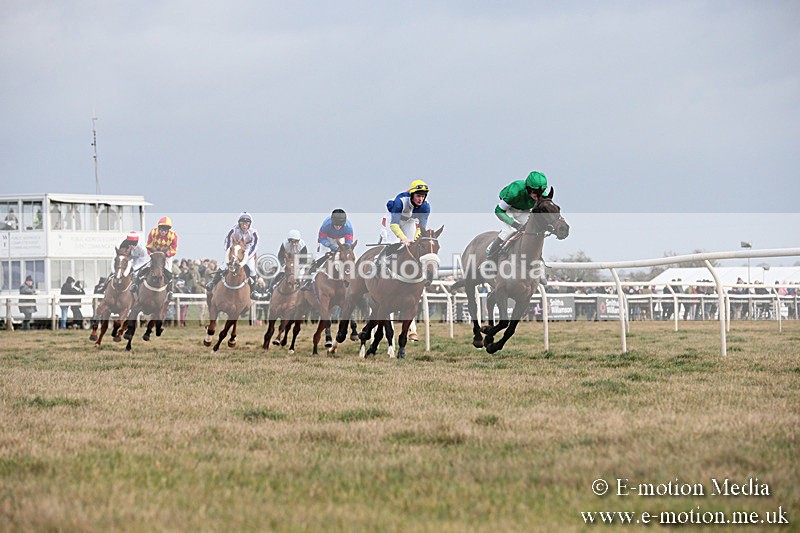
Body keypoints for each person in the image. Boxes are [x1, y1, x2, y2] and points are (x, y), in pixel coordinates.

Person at [485, 171, 548, 259]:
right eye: (536, 192)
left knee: (532, 229)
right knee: (508, 231)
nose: (538, 195)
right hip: (509, 209)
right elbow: (498, 211)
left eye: (541, 191)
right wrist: (515, 224)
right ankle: (489, 257)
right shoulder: (514, 192)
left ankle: (536, 257)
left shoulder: (542, 195)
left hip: (524, 210)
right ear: (528, 188)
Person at [207, 212, 259, 292]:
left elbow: (254, 247)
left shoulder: (254, 233)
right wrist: (230, 254)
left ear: (249, 224)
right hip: (234, 250)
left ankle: (253, 290)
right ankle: (213, 283)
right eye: (242, 224)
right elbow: (227, 243)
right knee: (224, 265)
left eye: (246, 224)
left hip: (247, 251)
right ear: (239, 224)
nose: (244, 226)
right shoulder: (233, 230)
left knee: (252, 269)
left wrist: (246, 257)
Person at [380, 180, 430, 249]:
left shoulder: (425, 207)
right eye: (418, 196)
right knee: (394, 243)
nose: (420, 199)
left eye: (423, 196)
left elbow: (420, 229)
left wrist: (416, 241)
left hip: (409, 220)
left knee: (412, 244)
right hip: (393, 220)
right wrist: (404, 238)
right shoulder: (400, 202)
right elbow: (394, 225)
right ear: (412, 195)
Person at [136, 216, 179, 298]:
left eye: (165, 230)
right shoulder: (153, 232)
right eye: (162, 229)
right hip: (154, 253)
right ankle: (136, 284)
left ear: (168, 230)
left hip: (166, 255)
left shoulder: (173, 236)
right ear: (159, 228)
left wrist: (166, 255)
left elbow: (174, 250)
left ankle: (170, 291)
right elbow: (148, 245)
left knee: (168, 270)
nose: (163, 232)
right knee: (144, 266)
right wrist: (151, 254)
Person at [306, 209, 354, 277]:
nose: (338, 227)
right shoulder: (326, 224)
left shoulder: (348, 227)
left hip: (340, 238)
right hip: (327, 238)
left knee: (346, 256)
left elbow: (349, 242)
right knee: (321, 255)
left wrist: (344, 248)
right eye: (336, 225)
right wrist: (330, 245)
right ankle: (314, 274)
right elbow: (322, 238)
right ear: (332, 222)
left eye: (340, 225)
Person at [269, 229, 310, 295]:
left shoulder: (302, 245)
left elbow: (304, 260)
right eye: (292, 242)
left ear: (298, 241)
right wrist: (283, 264)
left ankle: (304, 293)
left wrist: (298, 267)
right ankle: (270, 290)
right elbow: (280, 256)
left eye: (295, 242)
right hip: (287, 262)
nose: (294, 244)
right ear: (289, 241)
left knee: (301, 276)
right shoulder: (284, 244)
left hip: (299, 262)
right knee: (280, 273)